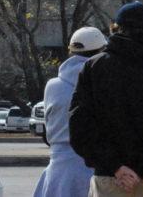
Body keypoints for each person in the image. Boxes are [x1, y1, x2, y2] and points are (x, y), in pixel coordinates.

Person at [70, 1, 143, 197]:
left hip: (108, 179)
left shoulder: (94, 68)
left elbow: (80, 127)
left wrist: (115, 166)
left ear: (115, 28)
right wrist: (141, 168)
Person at [34, 26, 107, 197]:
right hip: (93, 168)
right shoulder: (102, 84)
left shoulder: (53, 85)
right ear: (101, 51)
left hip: (57, 169)